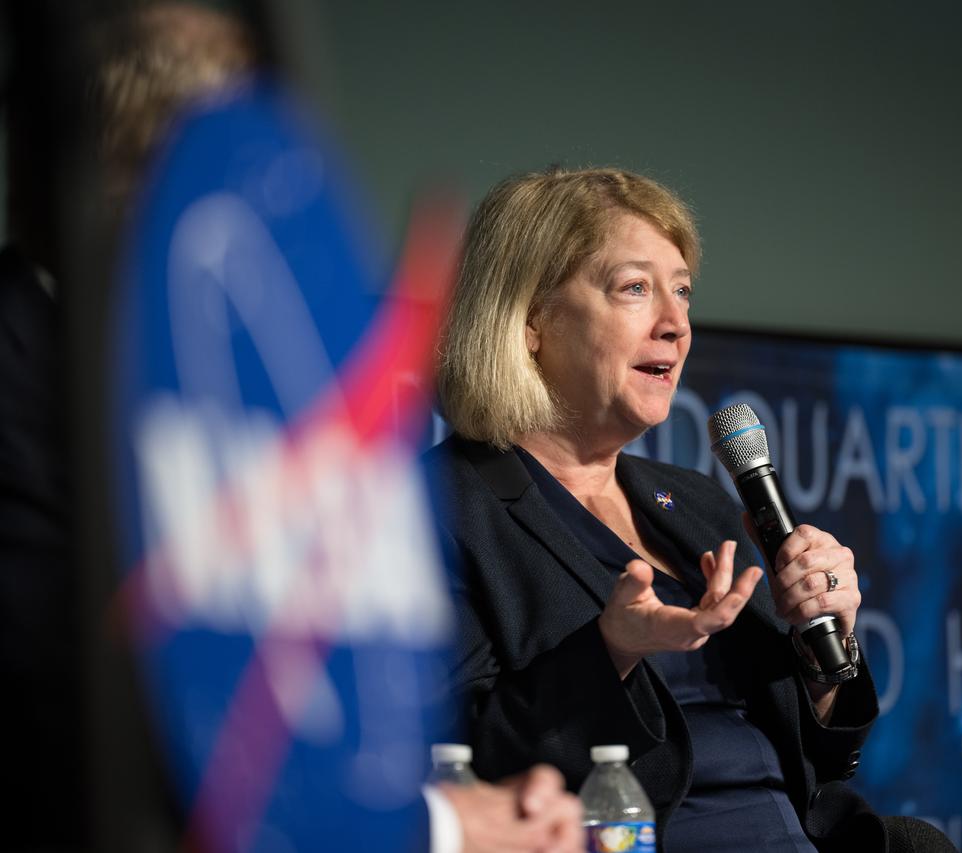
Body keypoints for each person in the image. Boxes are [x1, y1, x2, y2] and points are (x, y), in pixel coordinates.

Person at [2, 4, 583, 851]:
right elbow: (72, 705)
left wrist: (475, 805)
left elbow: (329, 698)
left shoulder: (250, 399)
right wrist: (441, 825)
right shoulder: (28, 360)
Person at [431, 166, 956, 852]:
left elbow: (821, 759)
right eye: (636, 288)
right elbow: (457, 764)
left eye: (682, 291)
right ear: (531, 318)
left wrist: (823, 646)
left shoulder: (696, 501)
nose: (676, 324)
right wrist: (611, 650)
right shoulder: (437, 511)